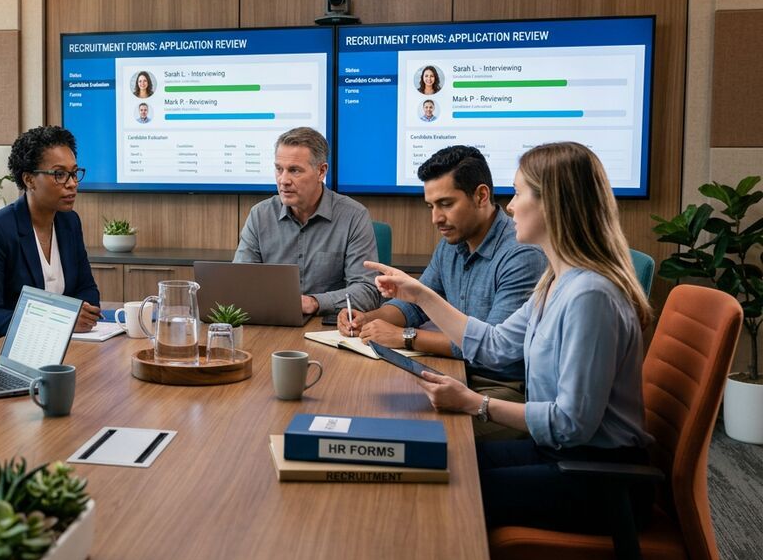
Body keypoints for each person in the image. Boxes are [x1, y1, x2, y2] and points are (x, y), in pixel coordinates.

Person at [365, 141, 654, 535]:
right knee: (435, 461)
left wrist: (476, 403)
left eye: (519, 194)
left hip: (597, 476)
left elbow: (571, 423)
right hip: (557, 452)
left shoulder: (590, 295)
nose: (512, 206)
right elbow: (497, 345)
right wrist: (419, 294)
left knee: (441, 492)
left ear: (554, 204)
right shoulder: (556, 281)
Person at [337, 145, 546, 440]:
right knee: (368, 408)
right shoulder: (453, 241)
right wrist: (367, 319)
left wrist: (405, 337)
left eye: (446, 204)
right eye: (431, 206)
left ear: (481, 196)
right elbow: (415, 305)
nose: (436, 218)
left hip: (501, 389)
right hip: (456, 374)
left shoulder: (520, 253)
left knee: (407, 435)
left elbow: (492, 350)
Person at [0, 125, 101, 351]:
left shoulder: (69, 223)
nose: (72, 183)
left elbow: (88, 290)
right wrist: (61, 320)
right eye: (60, 174)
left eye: (74, 172)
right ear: (29, 180)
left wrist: (81, 314)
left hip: (48, 347)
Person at [234, 127, 381, 315]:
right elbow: (240, 285)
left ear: (321, 171)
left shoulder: (354, 216)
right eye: (279, 169)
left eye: (294, 170)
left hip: (328, 328)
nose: (283, 180)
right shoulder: (260, 215)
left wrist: (315, 302)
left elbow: (367, 292)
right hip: (273, 322)